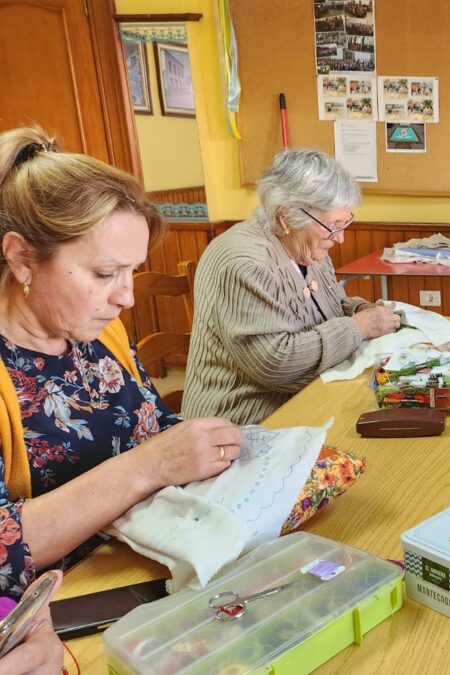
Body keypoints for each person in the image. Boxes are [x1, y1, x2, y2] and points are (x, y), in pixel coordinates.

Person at [0, 126, 242, 598]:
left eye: (132, 271)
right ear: (23, 258)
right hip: (61, 607)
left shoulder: (99, 332)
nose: (127, 297)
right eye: (105, 273)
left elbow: (152, 425)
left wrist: (208, 448)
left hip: (142, 565)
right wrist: (146, 467)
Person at [183, 148, 399, 425]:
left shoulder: (306, 243)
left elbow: (319, 309)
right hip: (242, 421)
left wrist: (357, 308)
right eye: (334, 225)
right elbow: (275, 363)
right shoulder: (244, 261)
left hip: (305, 399)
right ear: (286, 217)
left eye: (345, 222)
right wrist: (359, 326)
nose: (341, 238)